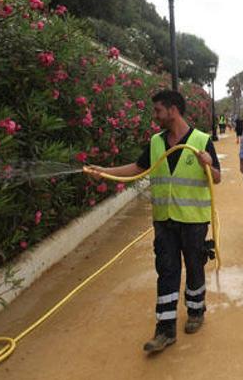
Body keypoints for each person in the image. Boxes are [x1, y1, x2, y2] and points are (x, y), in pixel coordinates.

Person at [84, 90, 221, 353]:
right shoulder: (156, 142)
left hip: (193, 220)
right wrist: (105, 173)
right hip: (164, 221)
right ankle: (165, 329)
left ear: (173, 110)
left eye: (158, 110)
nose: (155, 116)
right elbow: (137, 168)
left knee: (194, 266)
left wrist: (208, 164)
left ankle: (195, 311)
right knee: (166, 271)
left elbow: (216, 178)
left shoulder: (202, 140)